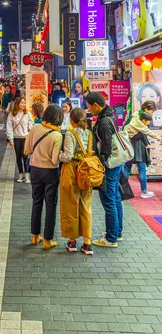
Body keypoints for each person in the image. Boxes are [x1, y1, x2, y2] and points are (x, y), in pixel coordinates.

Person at [86, 92, 123, 248]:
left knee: (109, 201)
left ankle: (111, 238)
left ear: (96, 105)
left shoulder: (104, 122)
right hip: (117, 162)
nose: (88, 109)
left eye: (88, 106)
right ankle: (116, 232)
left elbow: (106, 147)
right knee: (115, 199)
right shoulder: (110, 117)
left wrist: (100, 165)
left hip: (109, 165)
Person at [25, 104, 64, 250]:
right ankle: (48, 240)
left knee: (36, 203)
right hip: (50, 173)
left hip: (35, 170)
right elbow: (55, 160)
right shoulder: (57, 135)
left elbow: (28, 149)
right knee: (50, 206)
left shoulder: (35, 128)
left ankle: (35, 237)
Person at [59, 108, 94, 255]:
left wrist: (59, 155)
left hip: (72, 171)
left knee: (71, 204)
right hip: (87, 171)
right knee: (86, 206)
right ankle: (87, 243)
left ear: (72, 120)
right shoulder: (89, 133)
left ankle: (72, 241)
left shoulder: (70, 133)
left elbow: (68, 156)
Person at [124, 111, 154, 198]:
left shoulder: (133, 119)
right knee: (142, 169)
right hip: (139, 149)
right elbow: (144, 134)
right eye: (151, 111)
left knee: (126, 168)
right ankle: (144, 191)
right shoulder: (140, 125)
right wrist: (158, 139)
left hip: (130, 148)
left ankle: (122, 189)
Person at [7, 97, 33, 183]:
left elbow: (31, 122)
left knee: (25, 156)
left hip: (25, 137)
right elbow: (9, 127)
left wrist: (29, 128)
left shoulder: (27, 113)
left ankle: (27, 174)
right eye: (22, 103)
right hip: (16, 138)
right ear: (17, 104)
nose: (23, 104)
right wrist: (10, 139)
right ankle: (20, 173)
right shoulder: (11, 114)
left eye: (24, 103)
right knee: (18, 157)